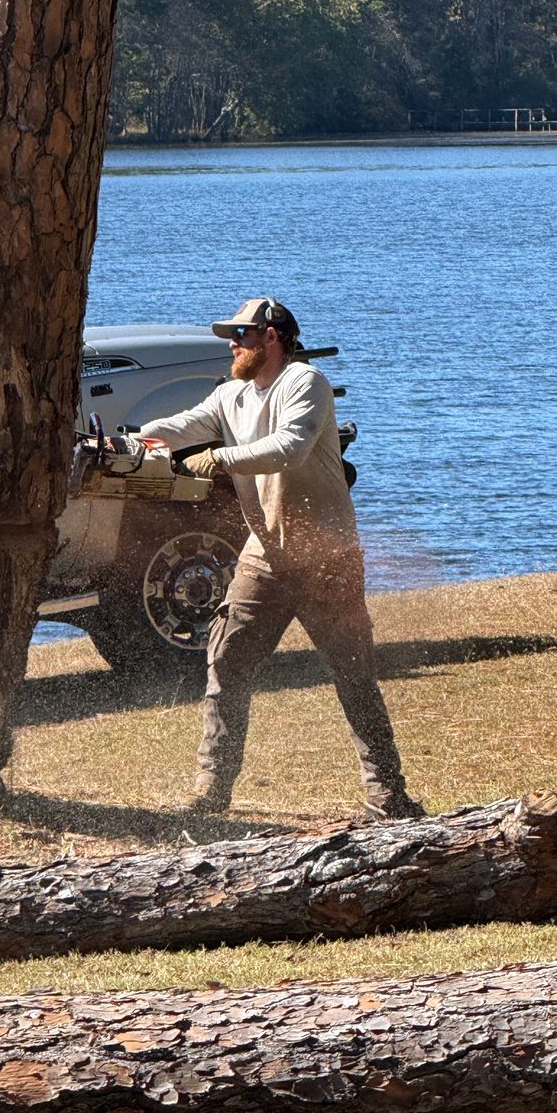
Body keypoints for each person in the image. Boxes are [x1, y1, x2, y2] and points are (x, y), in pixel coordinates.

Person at [138, 298, 424, 820]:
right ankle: (211, 792)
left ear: (272, 337)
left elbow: (288, 447)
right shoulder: (231, 395)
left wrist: (218, 458)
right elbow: (179, 426)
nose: (233, 343)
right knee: (226, 663)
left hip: (326, 556)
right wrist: (135, 440)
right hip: (264, 555)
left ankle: (388, 797)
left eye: (242, 334)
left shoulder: (304, 384)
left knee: (353, 676)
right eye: (233, 335)